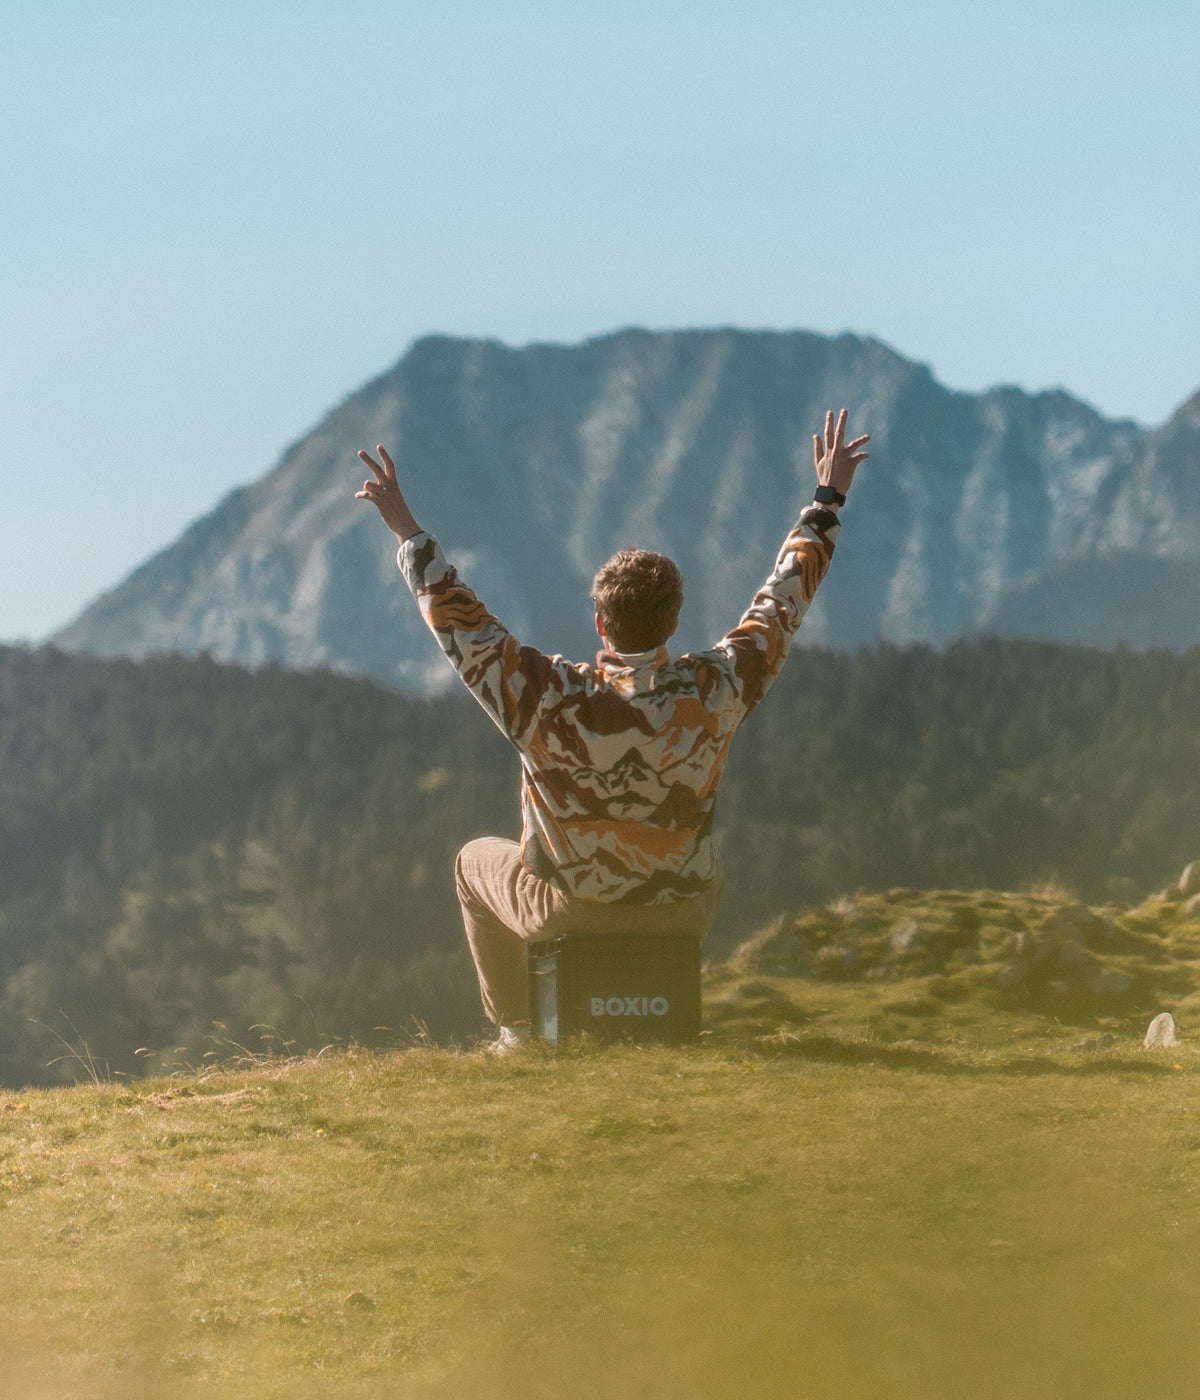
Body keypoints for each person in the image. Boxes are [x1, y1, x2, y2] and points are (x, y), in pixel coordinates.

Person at [356, 409, 868, 1053]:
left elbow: (460, 621)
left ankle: (518, 1029)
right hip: (683, 914)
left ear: (599, 623)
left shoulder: (542, 695)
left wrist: (404, 525)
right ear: (675, 617)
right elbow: (781, 603)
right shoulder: (718, 688)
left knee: (469, 864)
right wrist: (826, 499)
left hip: (571, 912)